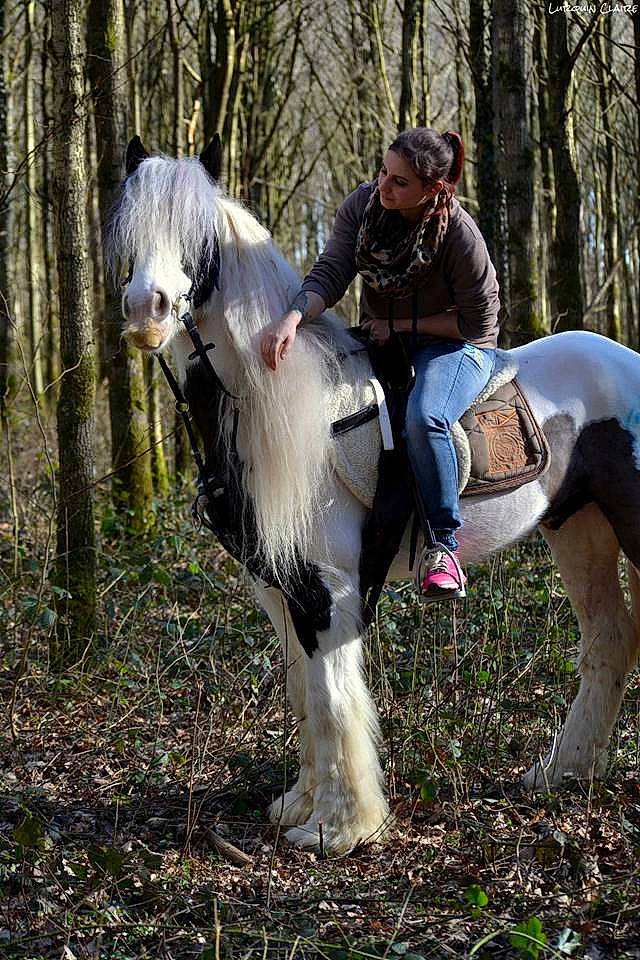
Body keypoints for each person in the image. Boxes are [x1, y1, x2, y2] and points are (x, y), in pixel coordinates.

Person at [260, 128, 500, 600]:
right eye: (383, 172)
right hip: (380, 336)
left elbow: (479, 322)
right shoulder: (364, 206)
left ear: (433, 189)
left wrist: (402, 327)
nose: (382, 186)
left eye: (399, 182)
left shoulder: (459, 235)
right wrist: (291, 317)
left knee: (424, 418)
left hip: (457, 347)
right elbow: (331, 271)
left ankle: (443, 548)